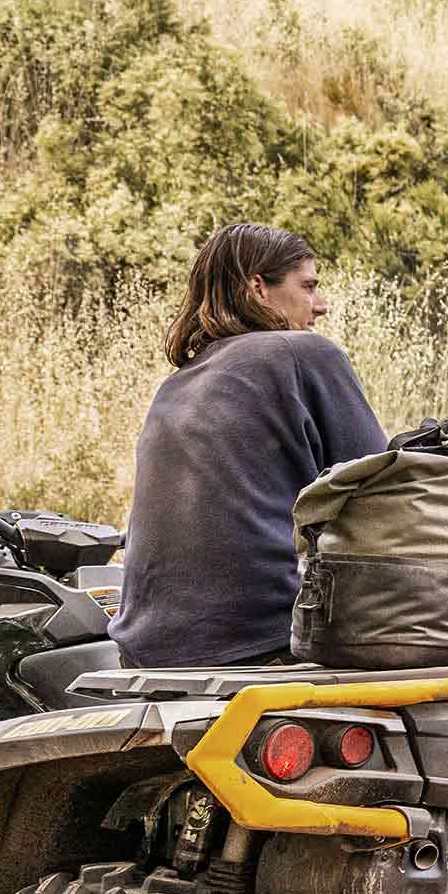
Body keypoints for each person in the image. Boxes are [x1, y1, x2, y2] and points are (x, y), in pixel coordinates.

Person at [114, 222, 386, 669]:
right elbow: (381, 490)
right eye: (308, 287)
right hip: (264, 639)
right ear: (259, 288)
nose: (321, 305)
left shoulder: (178, 382)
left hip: (147, 650)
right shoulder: (304, 353)